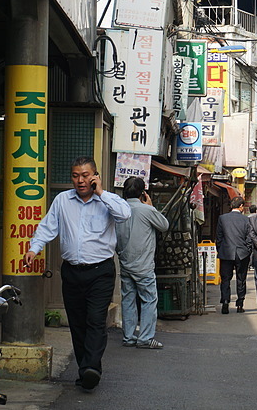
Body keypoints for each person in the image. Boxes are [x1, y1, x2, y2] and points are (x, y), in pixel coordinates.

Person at [24, 157, 131, 391]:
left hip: (100, 271)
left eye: (85, 175)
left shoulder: (107, 200)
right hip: (72, 272)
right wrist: (34, 248)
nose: (80, 180)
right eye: (75, 176)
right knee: (77, 323)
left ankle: (91, 367)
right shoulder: (63, 200)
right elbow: (48, 226)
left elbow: (124, 215)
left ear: (94, 176)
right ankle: (86, 371)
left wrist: (101, 192)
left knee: (94, 320)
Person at [116, 177, 169, 349]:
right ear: (143, 193)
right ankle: (145, 338)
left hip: (125, 262)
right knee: (148, 299)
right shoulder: (146, 210)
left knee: (128, 299)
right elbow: (164, 225)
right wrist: (151, 205)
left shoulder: (119, 209)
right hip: (144, 265)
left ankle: (129, 337)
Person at [215, 196, 252, 314]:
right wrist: (248, 250)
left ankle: (225, 302)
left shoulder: (222, 218)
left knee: (225, 279)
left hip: (226, 253)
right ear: (241, 206)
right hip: (242, 253)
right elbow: (249, 238)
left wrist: (220, 250)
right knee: (241, 279)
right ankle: (240, 304)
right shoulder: (246, 220)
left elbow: (219, 237)